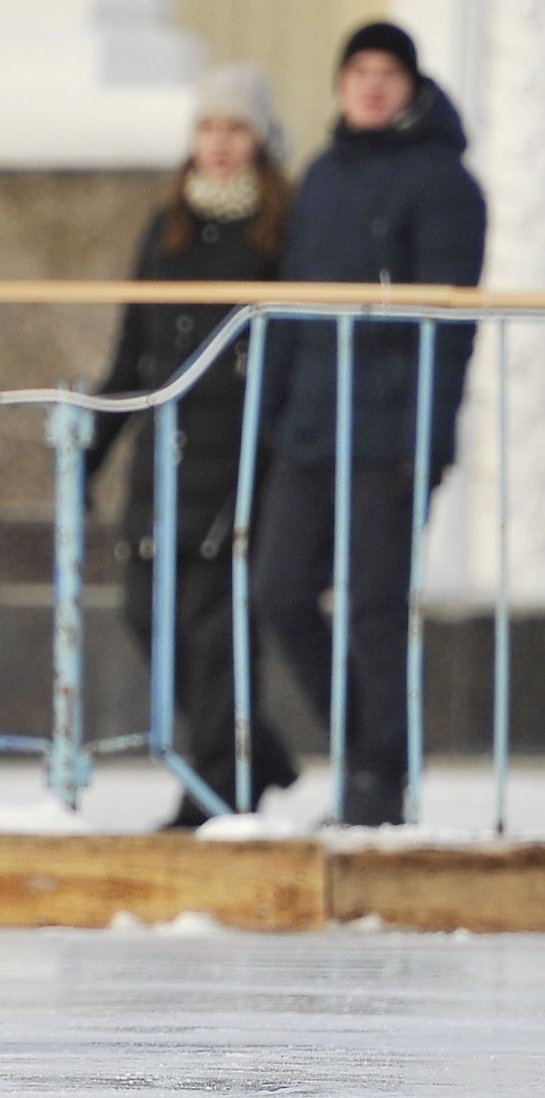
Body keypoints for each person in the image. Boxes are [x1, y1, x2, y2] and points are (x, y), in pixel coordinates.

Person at [251, 22, 487, 827]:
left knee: (375, 608)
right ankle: (365, 750)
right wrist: (275, 418)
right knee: (279, 592)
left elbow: (450, 329)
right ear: (341, 84)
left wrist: (428, 438)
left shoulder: (445, 181)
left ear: (411, 86)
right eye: (360, 70)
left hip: (390, 433)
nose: (373, 85)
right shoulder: (319, 175)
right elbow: (290, 309)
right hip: (311, 428)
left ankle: (379, 786)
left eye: (389, 71)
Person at [88, 63, 300, 828]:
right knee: (149, 613)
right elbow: (128, 354)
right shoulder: (166, 224)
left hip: (239, 455)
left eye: (234, 127)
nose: (218, 143)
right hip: (162, 457)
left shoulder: (281, 227)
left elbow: (293, 351)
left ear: (260, 139)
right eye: (207, 127)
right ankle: (254, 750)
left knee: (214, 628)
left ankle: (217, 785)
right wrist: (92, 449)